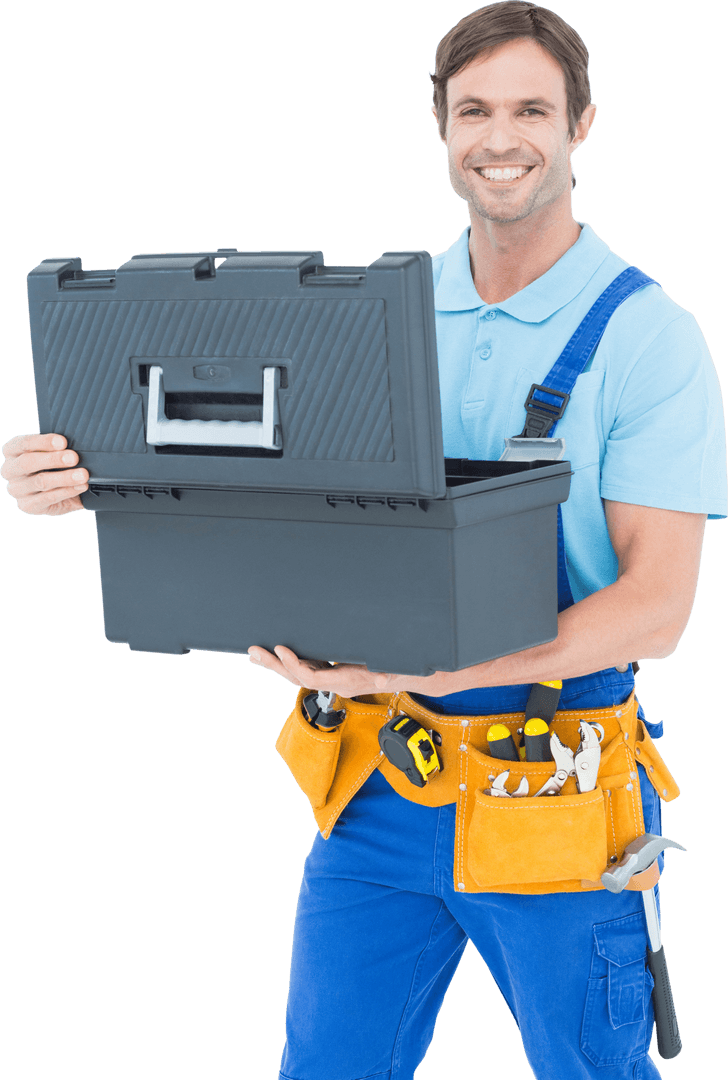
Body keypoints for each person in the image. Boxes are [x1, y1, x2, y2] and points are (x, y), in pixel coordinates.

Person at [2, 4, 726, 1078]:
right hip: (377, 786)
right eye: (472, 108)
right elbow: (264, 485)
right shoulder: (368, 315)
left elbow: (654, 612)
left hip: (553, 794)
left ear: (579, 126)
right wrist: (89, 480)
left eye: (530, 108)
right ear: (438, 125)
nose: (499, 135)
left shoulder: (646, 339)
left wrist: (427, 663)